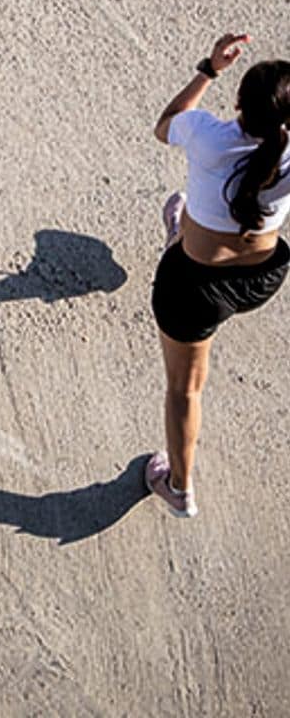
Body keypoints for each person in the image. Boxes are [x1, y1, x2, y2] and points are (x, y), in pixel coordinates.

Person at [148, 34, 290, 517]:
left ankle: (179, 487)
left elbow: (164, 125)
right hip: (261, 278)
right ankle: (181, 228)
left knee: (185, 389)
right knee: (193, 214)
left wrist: (209, 69)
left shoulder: (207, 134)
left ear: (237, 104)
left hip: (194, 289)